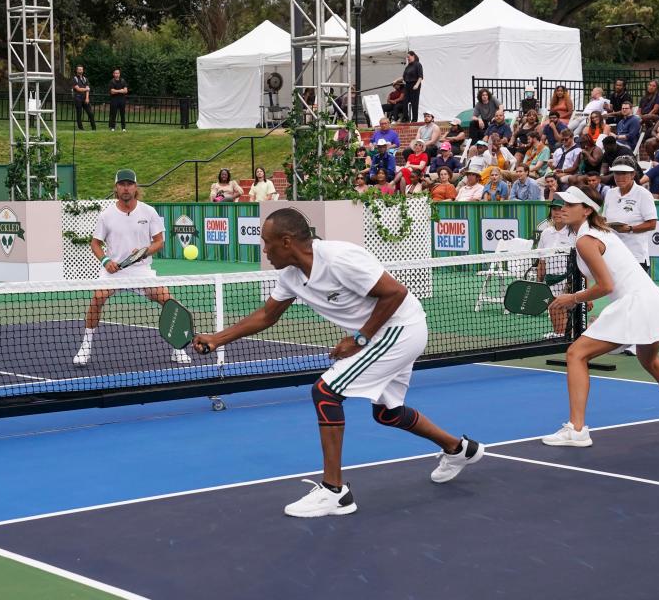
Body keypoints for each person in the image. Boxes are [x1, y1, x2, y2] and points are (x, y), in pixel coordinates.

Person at [192, 208, 484, 517]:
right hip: (386, 334)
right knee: (388, 413)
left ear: (287, 241)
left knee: (326, 392)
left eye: (267, 243)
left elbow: (395, 293)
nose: (264, 250)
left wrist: (359, 338)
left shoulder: (339, 258)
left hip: (399, 329)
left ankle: (335, 491)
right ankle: (459, 449)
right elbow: (267, 315)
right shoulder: (291, 276)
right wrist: (217, 338)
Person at [542, 186, 659, 446]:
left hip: (635, 303)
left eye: (569, 204)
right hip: (653, 300)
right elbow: (604, 276)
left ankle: (576, 430)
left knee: (576, 354)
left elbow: (606, 285)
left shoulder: (586, 240)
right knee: (650, 361)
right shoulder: (598, 232)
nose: (561, 208)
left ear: (586, 210)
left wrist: (572, 299)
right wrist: (584, 298)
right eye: (559, 203)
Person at [73, 169, 191, 366]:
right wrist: (105, 261)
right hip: (114, 270)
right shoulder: (106, 215)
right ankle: (85, 348)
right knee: (97, 299)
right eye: (122, 184)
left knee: (168, 301)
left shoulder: (148, 211)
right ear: (116, 188)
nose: (125, 188)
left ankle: (177, 349)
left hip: (141, 270)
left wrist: (145, 252)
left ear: (136, 187)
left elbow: (159, 242)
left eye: (129, 184)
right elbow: (95, 243)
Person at [603, 163, 657, 272]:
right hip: (613, 254)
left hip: (636, 256)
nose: (619, 177)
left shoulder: (643, 194)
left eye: (623, 173)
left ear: (633, 175)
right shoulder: (610, 193)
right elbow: (604, 218)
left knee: (637, 289)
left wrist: (630, 229)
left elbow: (652, 224)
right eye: (616, 173)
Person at [536, 198, 575, 337]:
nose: (557, 213)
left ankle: (565, 336)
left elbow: (583, 263)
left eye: (560, 209)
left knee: (563, 309)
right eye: (554, 209)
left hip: (569, 281)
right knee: (553, 308)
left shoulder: (574, 233)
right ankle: (560, 335)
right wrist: (538, 283)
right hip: (550, 280)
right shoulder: (546, 233)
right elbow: (542, 261)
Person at [72, 65, 96, 131]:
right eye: (79, 69)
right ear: (77, 70)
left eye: (81, 69)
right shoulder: (75, 79)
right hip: (78, 98)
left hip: (85, 98)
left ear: (83, 70)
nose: (80, 71)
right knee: (79, 114)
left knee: (90, 113)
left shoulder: (85, 79)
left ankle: (94, 128)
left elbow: (88, 90)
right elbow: (78, 89)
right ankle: (80, 128)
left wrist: (87, 98)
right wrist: (86, 89)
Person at [402, 51, 423, 122]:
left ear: (413, 56)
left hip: (415, 85)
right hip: (407, 85)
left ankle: (414, 119)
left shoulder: (418, 64)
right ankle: (406, 118)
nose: (408, 58)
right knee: (404, 102)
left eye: (409, 57)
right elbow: (403, 77)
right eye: (407, 57)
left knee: (414, 103)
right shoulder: (408, 66)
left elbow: (420, 76)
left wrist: (417, 85)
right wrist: (396, 80)